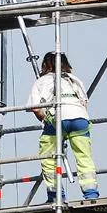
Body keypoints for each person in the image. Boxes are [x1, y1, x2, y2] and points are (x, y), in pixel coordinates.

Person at [26, 52, 99, 202]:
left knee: (49, 157)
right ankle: (90, 193)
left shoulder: (42, 81)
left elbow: (35, 108)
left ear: (45, 65)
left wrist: (46, 121)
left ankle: (56, 195)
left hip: (58, 119)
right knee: (84, 157)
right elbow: (84, 102)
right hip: (80, 119)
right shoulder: (75, 80)